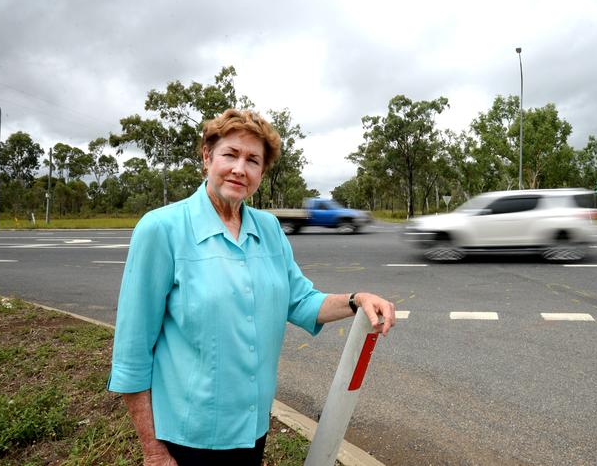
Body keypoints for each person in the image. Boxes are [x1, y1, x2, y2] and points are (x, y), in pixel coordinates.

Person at [108, 109, 396, 466]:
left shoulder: (269, 229)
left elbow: (302, 301)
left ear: (262, 172)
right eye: (230, 154)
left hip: (251, 431)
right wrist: (153, 452)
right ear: (207, 156)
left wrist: (357, 300)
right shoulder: (161, 229)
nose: (239, 169)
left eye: (253, 160)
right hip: (188, 440)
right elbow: (132, 352)